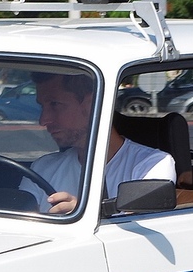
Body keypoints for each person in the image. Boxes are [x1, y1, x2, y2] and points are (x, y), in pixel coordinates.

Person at [21, 71, 175, 214]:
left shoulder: (152, 165)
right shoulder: (43, 168)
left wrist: (83, 213)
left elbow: (136, 237)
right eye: (42, 106)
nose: (43, 120)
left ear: (92, 105)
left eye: (54, 104)